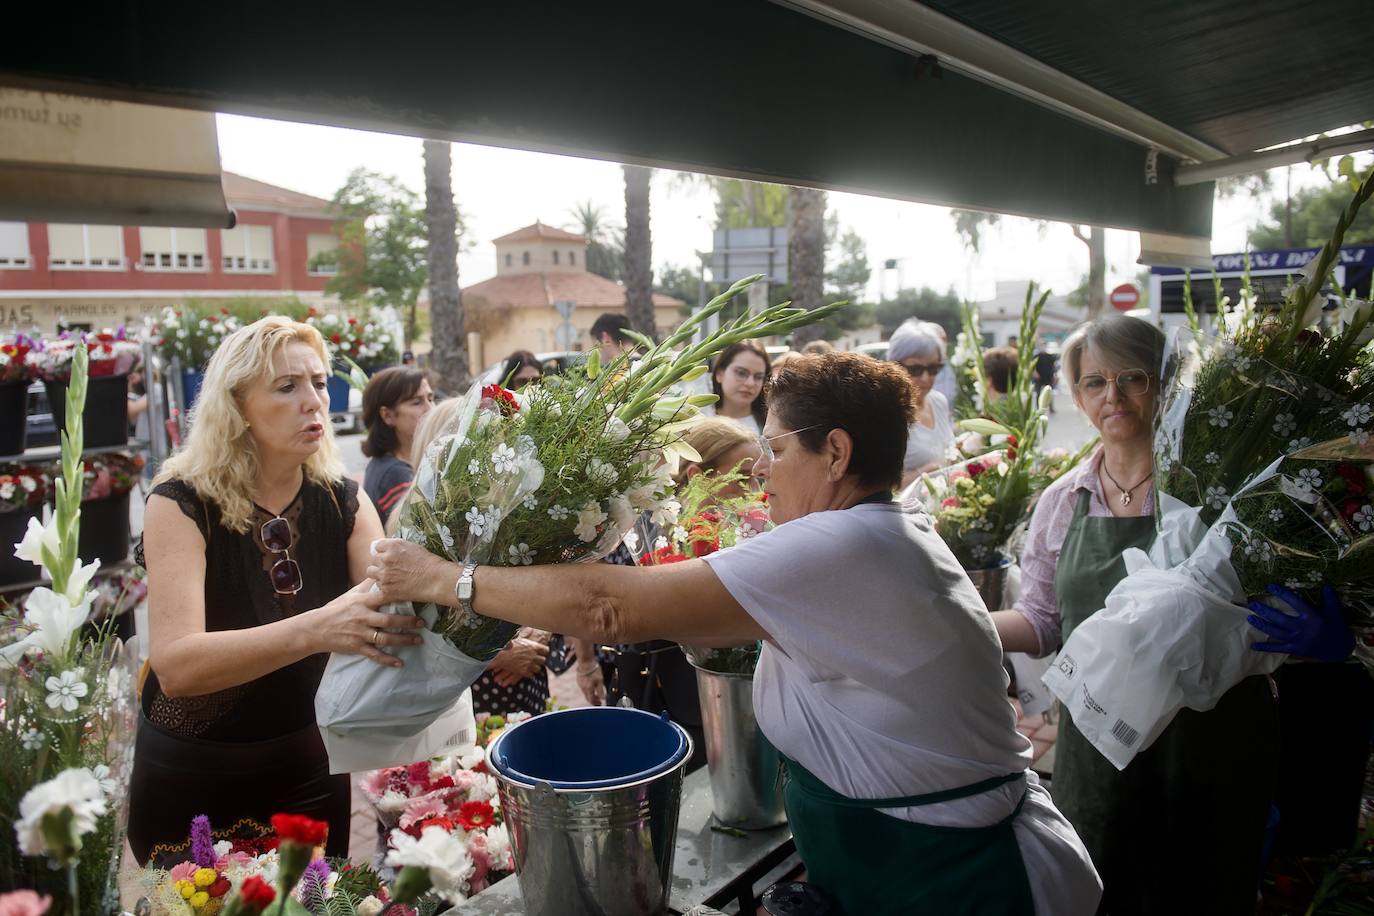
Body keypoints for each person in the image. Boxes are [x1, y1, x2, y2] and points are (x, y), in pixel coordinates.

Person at [369, 352, 1102, 915]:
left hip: (963, 880)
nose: (764, 472)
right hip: (918, 862)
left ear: (836, 453)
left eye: (777, 450)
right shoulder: (883, 530)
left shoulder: (838, 547)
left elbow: (609, 608)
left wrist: (443, 578)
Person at [988, 314, 1346, 915]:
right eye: (1095, 382)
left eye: (1132, 377)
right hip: (1100, 745)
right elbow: (1043, 620)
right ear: (1078, 395)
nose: (1113, 396)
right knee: (1100, 891)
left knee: (1204, 890)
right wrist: (960, 623)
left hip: (1212, 743)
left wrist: (1326, 640)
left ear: (1166, 383)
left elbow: (1280, 606)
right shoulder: (1062, 501)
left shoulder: (1221, 491)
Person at [129, 316, 426, 863]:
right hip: (195, 772)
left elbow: (395, 609)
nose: (314, 401)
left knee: (320, 898)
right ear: (237, 407)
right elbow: (176, 666)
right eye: (287, 386)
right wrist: (318, 628)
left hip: (308, 763)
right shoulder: (180, 502)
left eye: (319, 382)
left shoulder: (343, 500)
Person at [590, 417, 766, 770]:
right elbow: (603, 605)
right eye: (741, 477)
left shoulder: (751, 532)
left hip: (737, 691)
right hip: (661, 691)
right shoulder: (645, 530)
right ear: (696, 475)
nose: (753, 490)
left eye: (757, 479)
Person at [396, 397, 552, 717]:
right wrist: (497, 655)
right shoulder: (414, 525)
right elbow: (411, 628)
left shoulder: (500, 512)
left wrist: (541, 627)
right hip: (468, 691)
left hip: (524, 676)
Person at [361, 367, 434, 526]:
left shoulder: (390, 465)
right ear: (388, 415)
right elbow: (420, 531)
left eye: (430, 398)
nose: (430, 409)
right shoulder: (394, 475)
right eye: (417, 402)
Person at [888, 320, 955, 487]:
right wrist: (924, 473)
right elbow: (876, 485)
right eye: (915, 370)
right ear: (895, 366)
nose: (925, 378)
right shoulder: (888, 412)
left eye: (933, 369)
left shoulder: (939, 401)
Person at [706, 340, 769, 435]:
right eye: (741, 373)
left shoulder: (769, 426)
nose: (750, 383)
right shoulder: (698, 420)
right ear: (719, 374)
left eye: (758, 377)